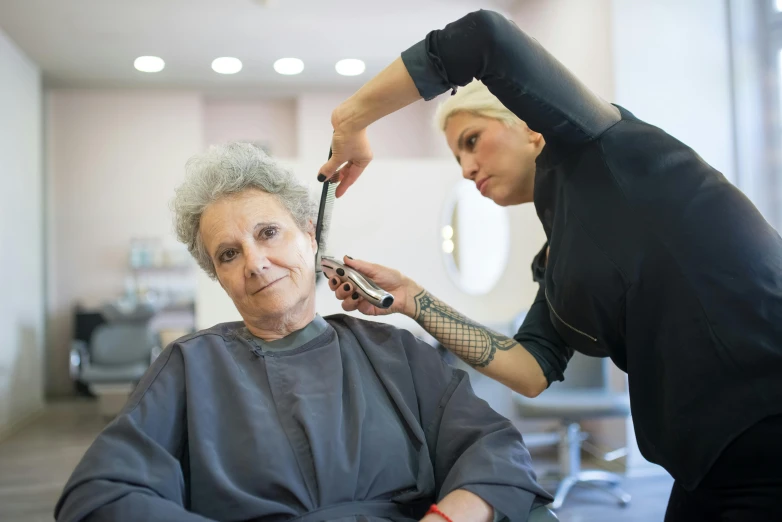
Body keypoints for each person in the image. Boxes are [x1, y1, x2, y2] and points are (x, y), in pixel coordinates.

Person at [318, 9, 782, 521]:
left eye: (472, 140)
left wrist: (352, 119)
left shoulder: (606, 146)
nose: (468, 167)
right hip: (709, 461)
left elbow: (482, 38)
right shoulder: (556, 260)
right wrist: (411, 298)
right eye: (456, 159)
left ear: (532, 127)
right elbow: (531, 369)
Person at [53, 143, 553, 522]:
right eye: (228, 254)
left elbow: (493, 447)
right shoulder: (190, 368)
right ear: (219, 276)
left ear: (310, 237)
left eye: (268, 233)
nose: (254, 262)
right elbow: (99, 494)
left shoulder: (395, 352)